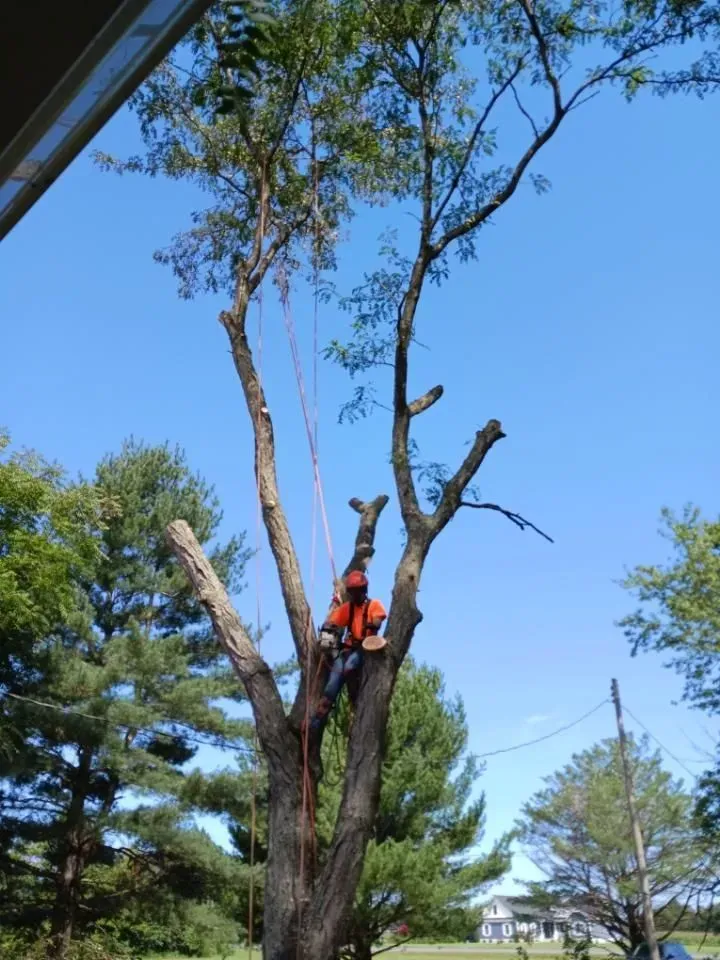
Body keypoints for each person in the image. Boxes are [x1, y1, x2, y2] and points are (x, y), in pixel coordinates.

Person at [310, 570, 386, 728]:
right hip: (348, 649)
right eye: (352, 592)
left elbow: (378, 619)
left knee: (350, 667)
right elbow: (333, 620)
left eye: (357, 591)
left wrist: (374, 624)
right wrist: (328, 628)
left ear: (363, 590)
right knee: (332, 684)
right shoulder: (347, 608)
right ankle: (316, 721)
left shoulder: (374, 605)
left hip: (365, 648)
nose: (355, 595)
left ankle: (355, 700)